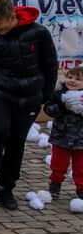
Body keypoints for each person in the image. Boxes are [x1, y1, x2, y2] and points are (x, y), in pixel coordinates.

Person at [0, 0, 58, 210]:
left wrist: (44, 96)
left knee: (17, 142)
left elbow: (50, 65)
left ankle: (6, 187)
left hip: (29, 95)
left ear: (12, 17)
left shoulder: (39, 33)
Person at [44, 66, 83, 200]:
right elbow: (48, 110)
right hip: (61, 137)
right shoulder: (59, 94)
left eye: (78, 79)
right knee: (58, 163)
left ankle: (81, 188)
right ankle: (55, 183)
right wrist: (62, 107)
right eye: (70, 77)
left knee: (81, 166)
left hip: (81, 139)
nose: (72, 81)